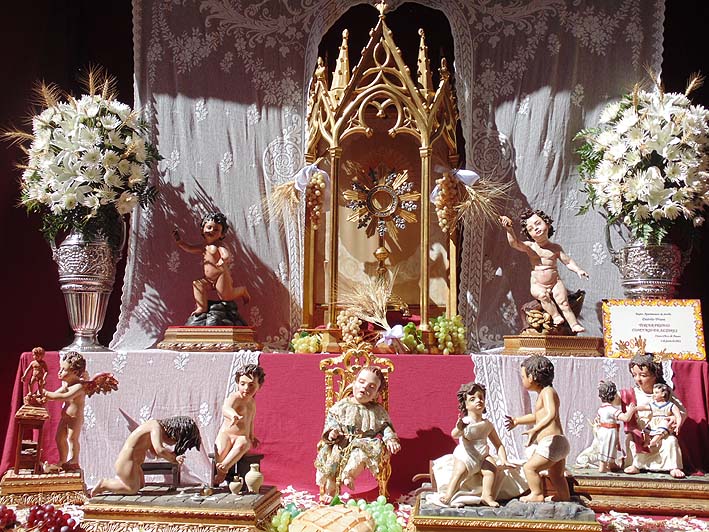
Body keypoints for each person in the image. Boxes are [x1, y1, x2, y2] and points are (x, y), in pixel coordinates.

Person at [314, 366, 401, 503]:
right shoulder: (341, 406)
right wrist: (332, 432)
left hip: (363, 442)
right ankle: (330, 491)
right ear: (353, 383)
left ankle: (349, 474)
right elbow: (332, 421)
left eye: (372, 387)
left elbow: (385, 427)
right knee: (333, 458)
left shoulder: (377, 411)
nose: (365, 387)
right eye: (361, 382)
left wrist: (390, 440)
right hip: (341, 441)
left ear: (376, 394)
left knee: (360, 454)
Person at [500, 209, 588, 333]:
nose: (535, 228)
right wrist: (509, 229)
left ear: (547, 223)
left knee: (564, 302)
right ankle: (556, 316)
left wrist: (578, 270)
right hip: (537, 283)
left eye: (538, 223)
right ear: (529, 234)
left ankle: (574, 325)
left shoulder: (555, 248)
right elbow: (514, 243)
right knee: (542, 296)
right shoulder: (531, 247)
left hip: (555, 282)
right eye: (530, 229)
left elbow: (568, 262)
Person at [505, 355, 570, 502]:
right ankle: (564, 496)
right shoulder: (544, 393)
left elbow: (551, 414)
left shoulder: (548, 392)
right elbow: (537, 416)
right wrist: (517, 421)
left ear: (532, 377)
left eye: (523, 377)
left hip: (552, 442)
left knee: (530, 468)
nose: (522, 380)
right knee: (556, 475)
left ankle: (537, 494)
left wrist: (535, 430)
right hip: (559, 443)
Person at [439, 382, 514, 507]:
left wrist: (504, 459)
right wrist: (459, 428)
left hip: (482, 454)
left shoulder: (487, 424)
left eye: (481, 397)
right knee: (459, 471)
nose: (478, 400)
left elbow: (498, 444)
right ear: (466, 405)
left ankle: (487, 496)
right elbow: (455, 434)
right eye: (472, 399)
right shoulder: (465, 422)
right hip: (466, 454)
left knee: (491, 469)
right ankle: (448, 495)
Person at [91, 416, 201, 496]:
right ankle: (104, 484)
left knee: (141, 485)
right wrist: (174, 459)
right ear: (174, 434)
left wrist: (171, 455)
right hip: (127, 461)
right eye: (175, 441)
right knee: (132, 489)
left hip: (135, 463)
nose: (172, 444)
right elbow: (159, 450)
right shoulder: (155, 427)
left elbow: (154, 451)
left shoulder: (154, 427)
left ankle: (119, 483)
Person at [622, 354, 686, 478]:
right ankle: (636, 464)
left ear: (655, 375)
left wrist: (674, 418)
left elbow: (682, 411)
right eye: (634, 375)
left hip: (662, 432)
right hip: (643, 431)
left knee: (671, 441)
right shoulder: (634, 393)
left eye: (643, 375)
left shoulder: (665, 392)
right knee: (632, 440)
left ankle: (673, 466)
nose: (638, 379)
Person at [173, 212, 250, 315]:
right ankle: (202, 307)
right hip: (209, 279)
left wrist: (223, 259)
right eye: (209, 227)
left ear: (222, 234)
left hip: (220, 276)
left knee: (226, 296)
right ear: (202, 229)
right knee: (198, 284)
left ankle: (242, 291)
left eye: (216, 229)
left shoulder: (219, 245)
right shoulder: (203, 246)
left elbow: (226, 254)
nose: (211, 231)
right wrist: (179, 242)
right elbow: (190, 248)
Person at [213, 364, 266, 486]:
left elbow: (250, 421)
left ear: (259, 386)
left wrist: (252, 436)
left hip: (241, 436)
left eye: (251, 385)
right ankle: (220, 471)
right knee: (220, 452)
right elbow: (226, 408)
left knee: (245, 443)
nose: (246, 388)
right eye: (242, 384)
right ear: (237, 383)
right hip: (226, 434)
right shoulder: (235, 397)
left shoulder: (252, 403)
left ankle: (224, 468)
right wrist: (233, 415)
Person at [43, 351, 87, 471]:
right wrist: (46, 397)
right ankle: (62, 460)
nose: (60, 372)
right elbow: (58, 393)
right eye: (60, 368)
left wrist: (47, 394)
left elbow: (64, 396)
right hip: (65, 417)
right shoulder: (66, 384)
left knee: (72, 438)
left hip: (74, 418)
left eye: (63, 369)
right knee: (59, 438)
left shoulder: (79, 386)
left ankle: (74, 460)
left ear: (75, 372)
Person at [595, 381, 636, 473]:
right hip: (609, 431)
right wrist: (631, 410)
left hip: (603, 430)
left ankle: (611, 464)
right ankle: (602, 467)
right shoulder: (611, 410)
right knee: (608, 447)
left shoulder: (601, 409)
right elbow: (625, 418)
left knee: (610, 447)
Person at [635, 383, 683, 450]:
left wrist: (678, 425)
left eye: (656, 393)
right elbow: (644, 407)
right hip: (654, 421)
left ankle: (654, 441)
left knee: (663, 427)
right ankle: (647, 441)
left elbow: (678, 416)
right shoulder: (653, 404)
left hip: (664, 420)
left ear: (663, 394)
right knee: (646, 430)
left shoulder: (670, 405)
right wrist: (635, 408)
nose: (654, 395)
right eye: (653, 393)